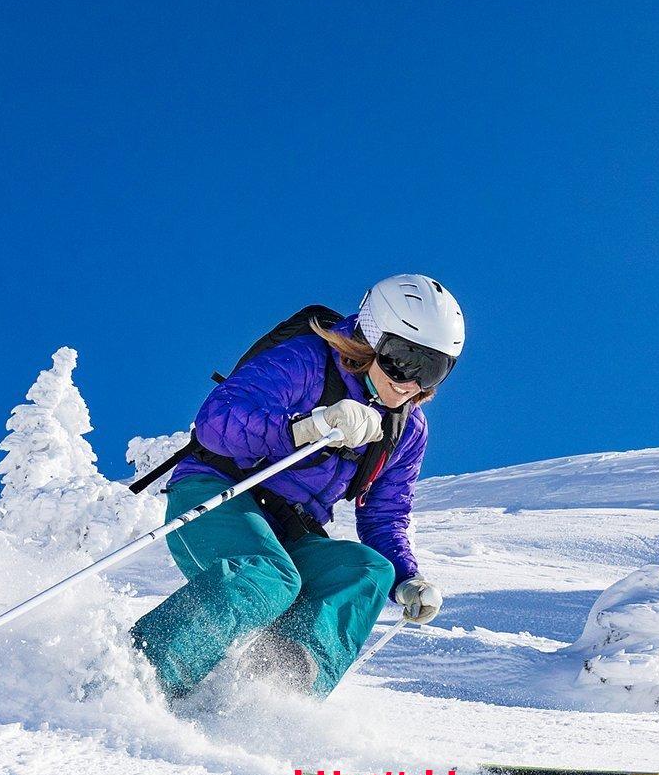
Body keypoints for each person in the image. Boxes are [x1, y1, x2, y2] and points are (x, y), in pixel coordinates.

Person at [129, 274, 463, 699]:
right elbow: (218, 420)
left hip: (290, 528)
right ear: (372, 337)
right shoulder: (307, 361)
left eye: (432, 369)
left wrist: (406, 575)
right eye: (402, 359)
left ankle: (273, 696)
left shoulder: (406, 428)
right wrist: (308, 427)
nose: (410, 382)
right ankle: (139, 677)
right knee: (266, 576)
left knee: (367, 572)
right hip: (221, 490)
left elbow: (384, 513)